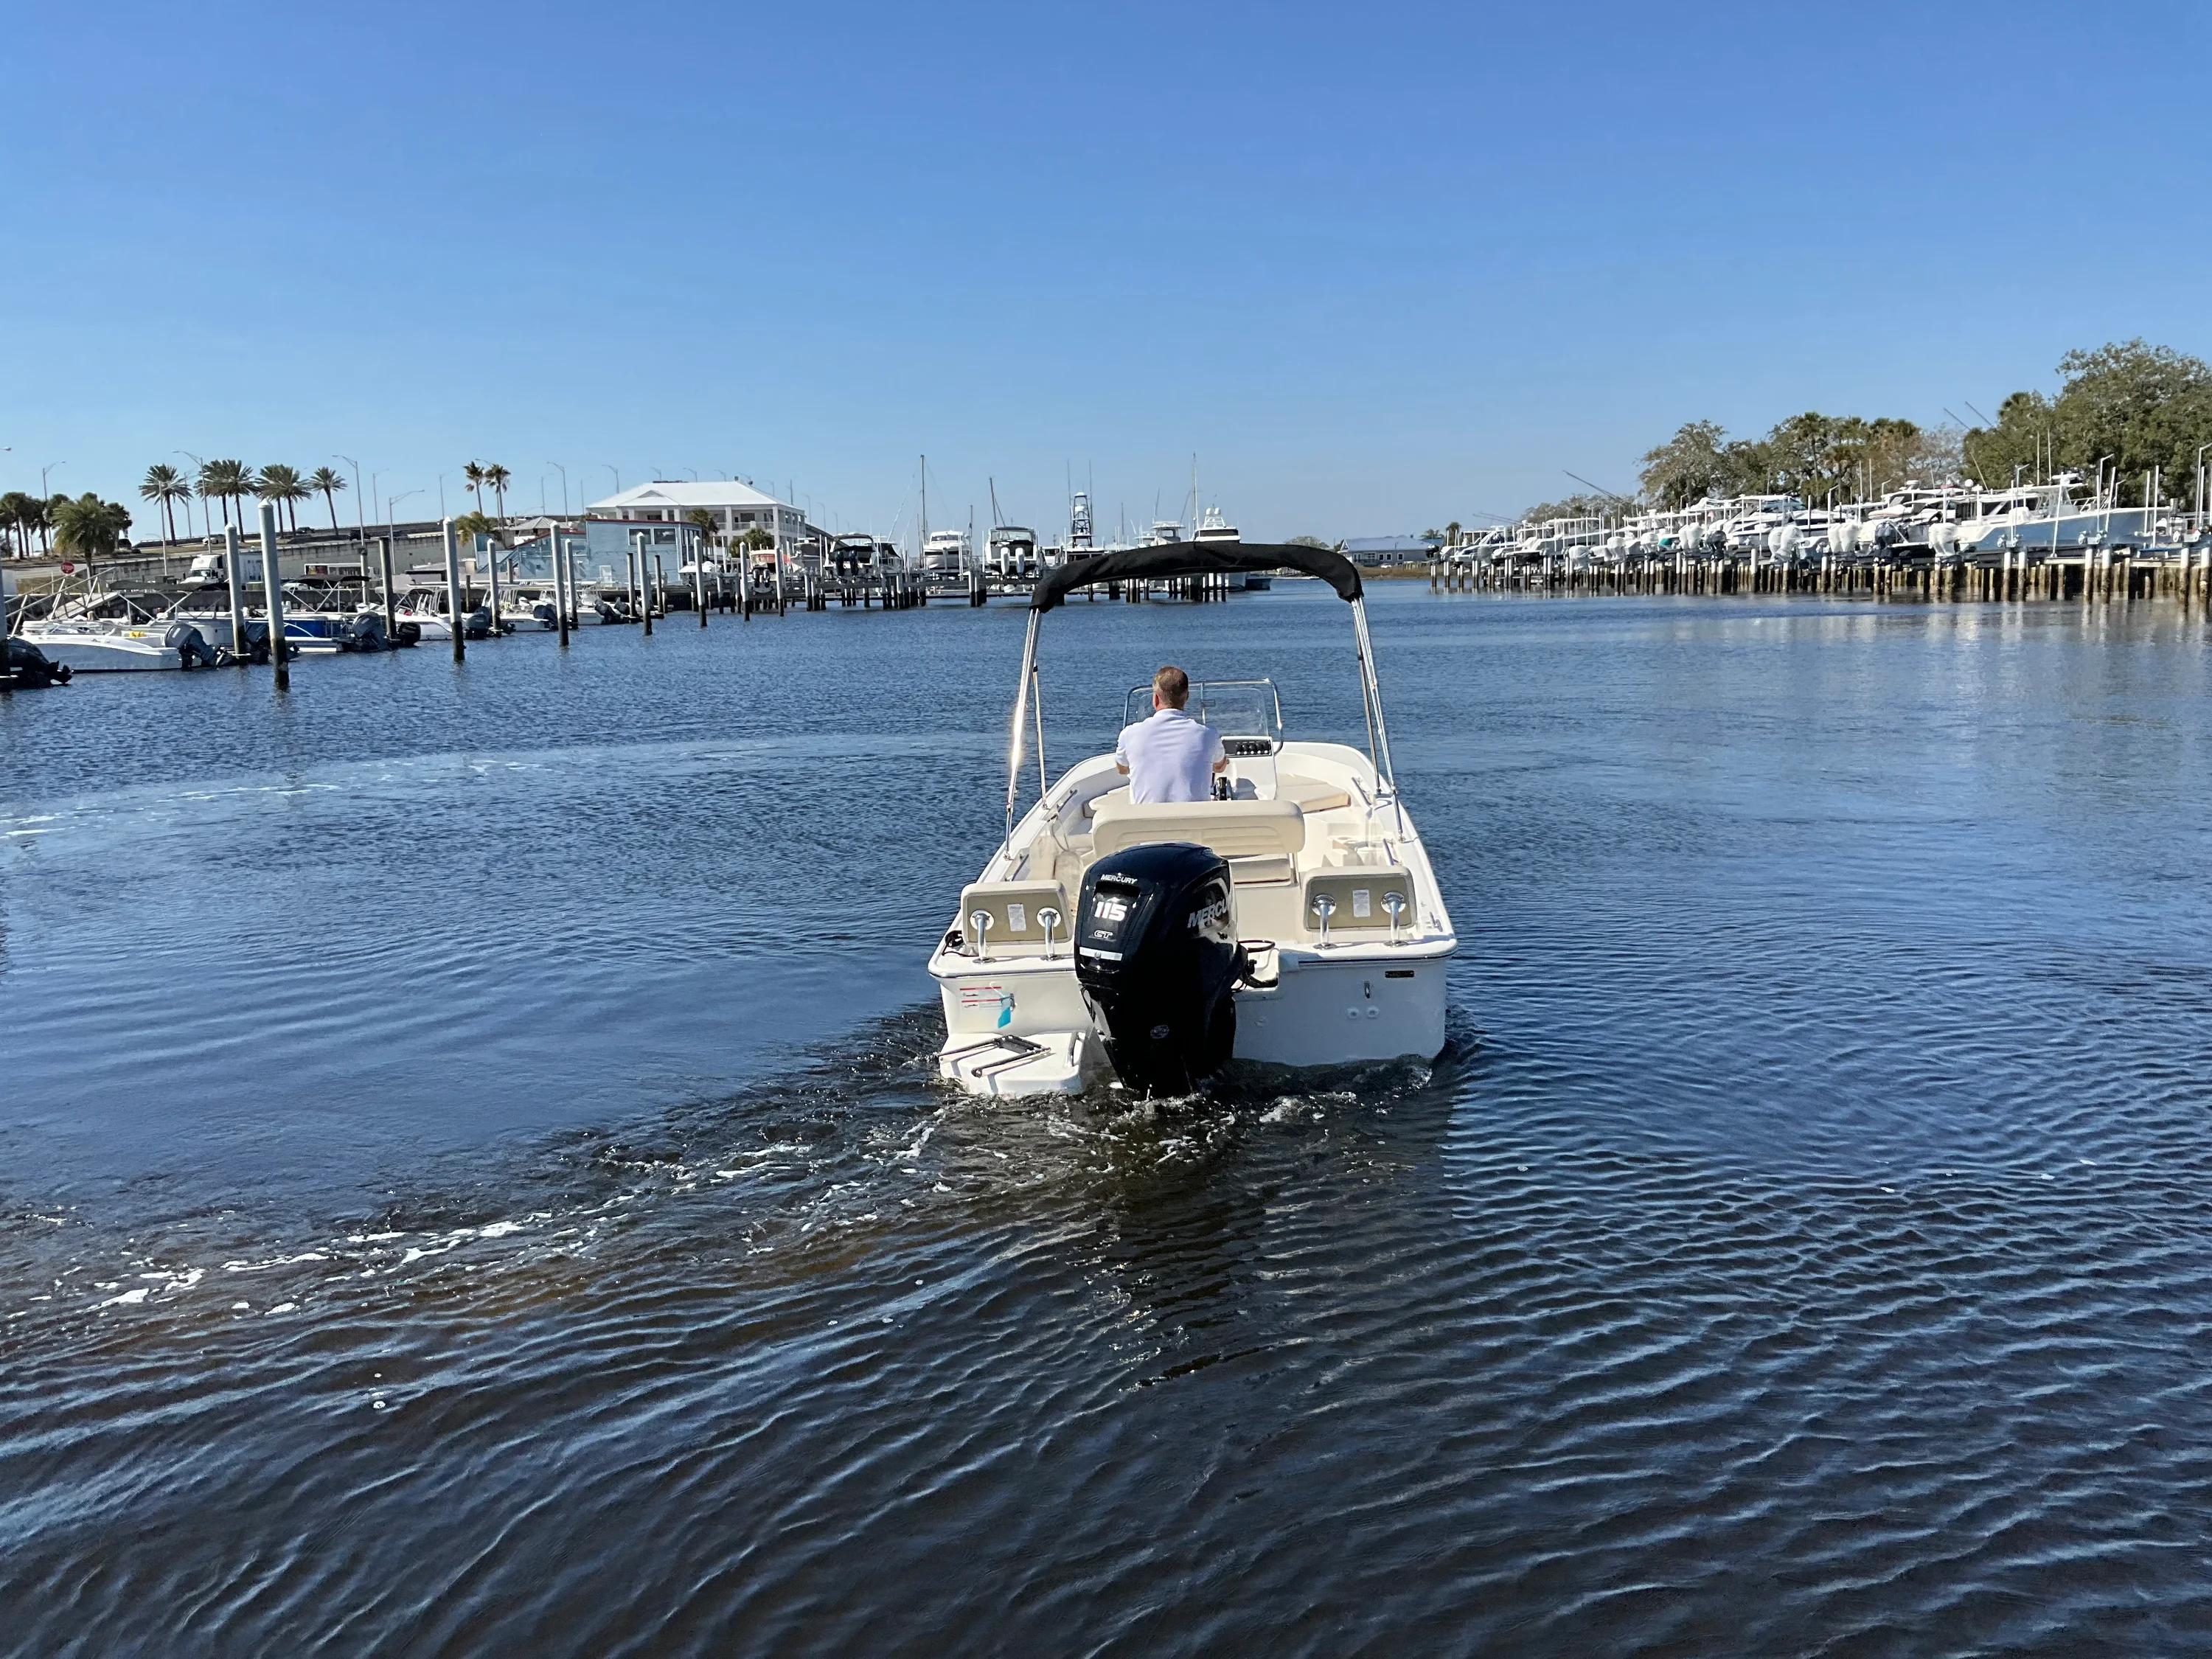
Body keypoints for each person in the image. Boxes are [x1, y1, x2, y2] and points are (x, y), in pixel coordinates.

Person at [1116, 664, 1228, 804]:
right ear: (1186, 697)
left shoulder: (1129, 734)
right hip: (1193, 823)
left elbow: (1122, 769)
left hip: (1145, 822)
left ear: (1156, 699)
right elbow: (1219, 766)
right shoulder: (1209, 734)